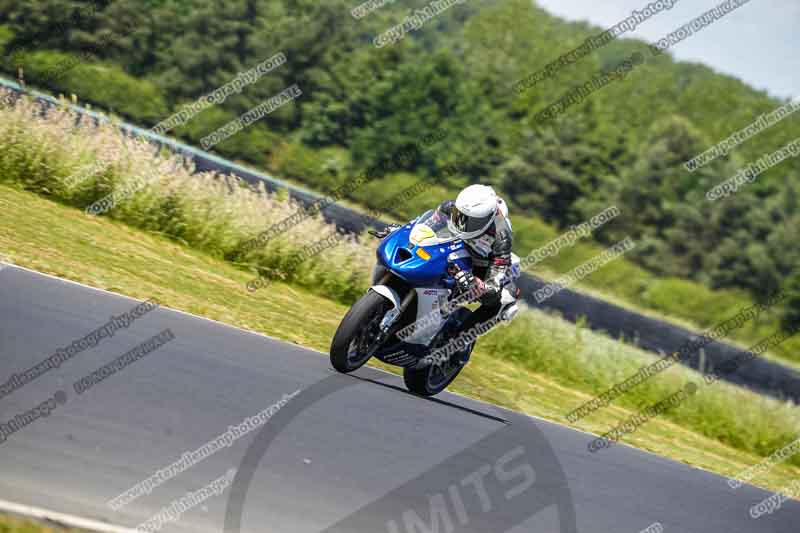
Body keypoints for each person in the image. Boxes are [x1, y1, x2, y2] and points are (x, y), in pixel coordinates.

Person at [371, 184, 517, 362]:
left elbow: (496, 278)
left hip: (483, 265)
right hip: (458, 249)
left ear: (487, 220)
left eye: (471, 221)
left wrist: (478, 284)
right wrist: (400, 231)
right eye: (460, 216)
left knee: (502, 297)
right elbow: (425, 227)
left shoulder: (502, 236)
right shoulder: (449, 207)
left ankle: (459, 343)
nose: (462, 222)